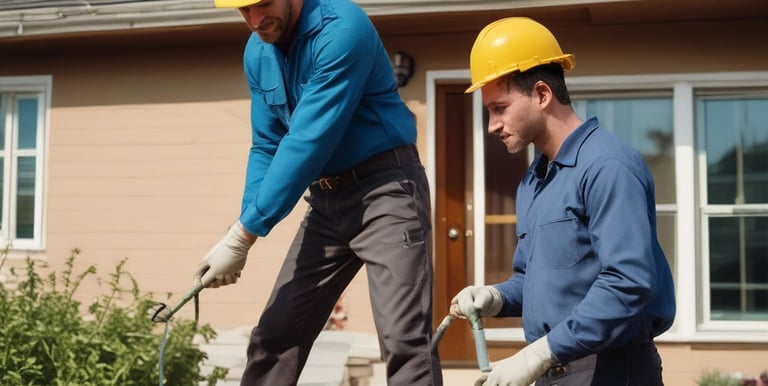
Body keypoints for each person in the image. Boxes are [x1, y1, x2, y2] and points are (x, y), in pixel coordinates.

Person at [193, 0, 443, 385]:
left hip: (386, 190)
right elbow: (266, 145)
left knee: (403, 340)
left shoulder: (342, 30)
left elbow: (308, 141)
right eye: (244, 10)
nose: (256, 20)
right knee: (274, 336)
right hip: (327, 202)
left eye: (263, 4)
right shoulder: (257, 52)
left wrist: (244, 235)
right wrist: (240, 229)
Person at [450, 17, 676, 386]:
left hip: (611, 370)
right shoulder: (534, 181)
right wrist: (495, 297)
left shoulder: (607, 165)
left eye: (499, 108)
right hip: (555, 370)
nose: (492, 124)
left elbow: (628, 282)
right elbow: (537, 279)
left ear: (541, 94)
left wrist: (541, 352)